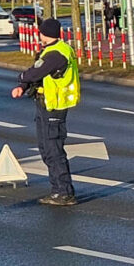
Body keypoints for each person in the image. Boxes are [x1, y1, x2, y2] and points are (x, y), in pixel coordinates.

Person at [11, 18, 81, 206]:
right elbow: (38, 75)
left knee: (53, 149)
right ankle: (57, 190)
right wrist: (22, 87)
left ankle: (64, 192)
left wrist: (22, 78)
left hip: (54, 107)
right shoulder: (52, 50)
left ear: (44, 33)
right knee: (46, 148)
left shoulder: (56, 53)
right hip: (46, 104)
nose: (38, 35)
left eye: (40, 32)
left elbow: (36, 72)